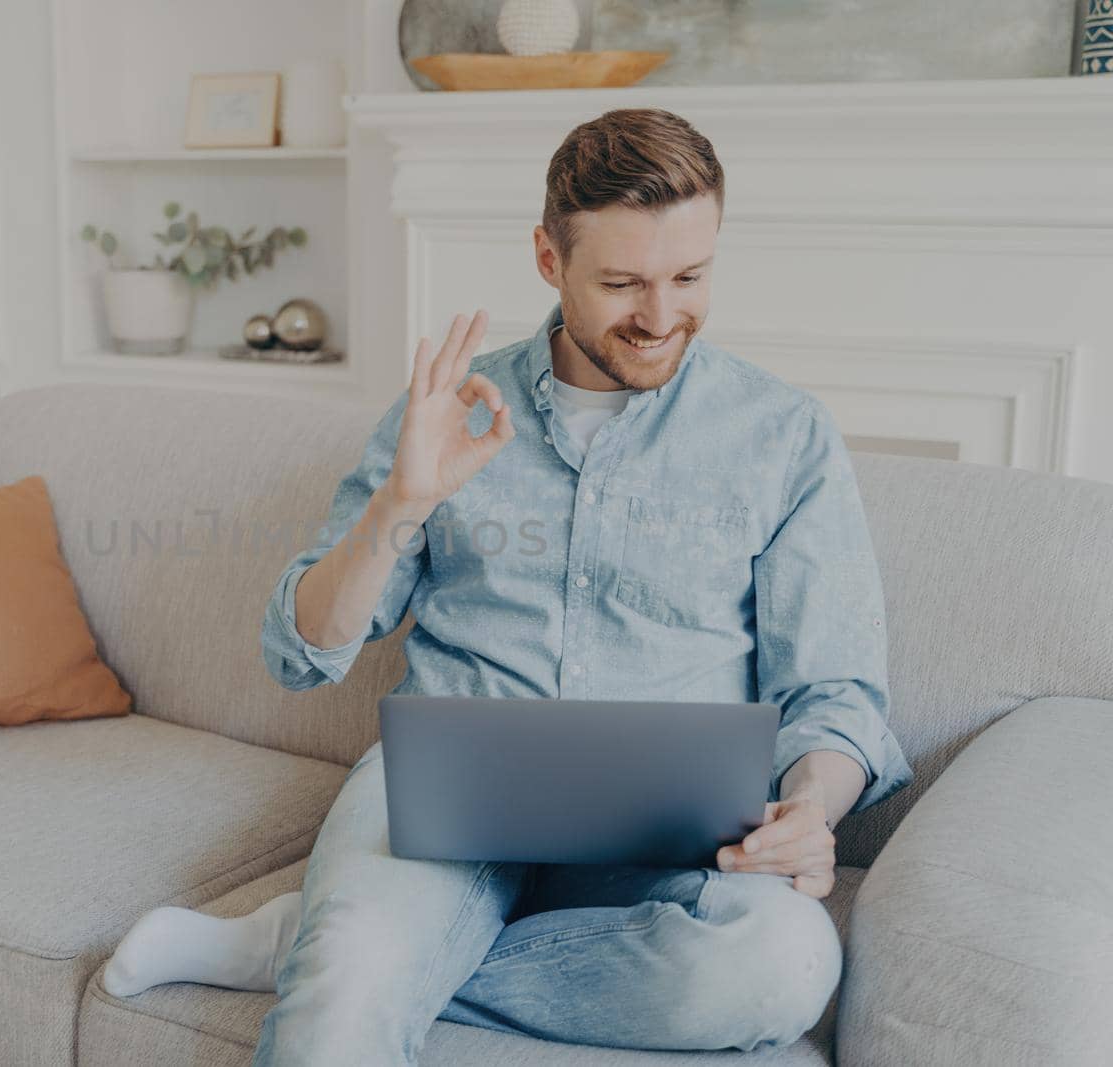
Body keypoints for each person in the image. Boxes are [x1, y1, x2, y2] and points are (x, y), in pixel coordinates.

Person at [101, 107, 913, 1065]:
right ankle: (350, 952)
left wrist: (812, 805)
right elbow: (300, 651)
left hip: (674, 838)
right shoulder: (451, 410)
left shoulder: (783, 436)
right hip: (451, 791)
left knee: (781, 962)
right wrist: (401, 501)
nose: (660, 317)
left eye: (689, 277)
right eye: (622, 283)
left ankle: (305, 943)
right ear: (547, 258)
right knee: (348, 992)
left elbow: (837, 693)